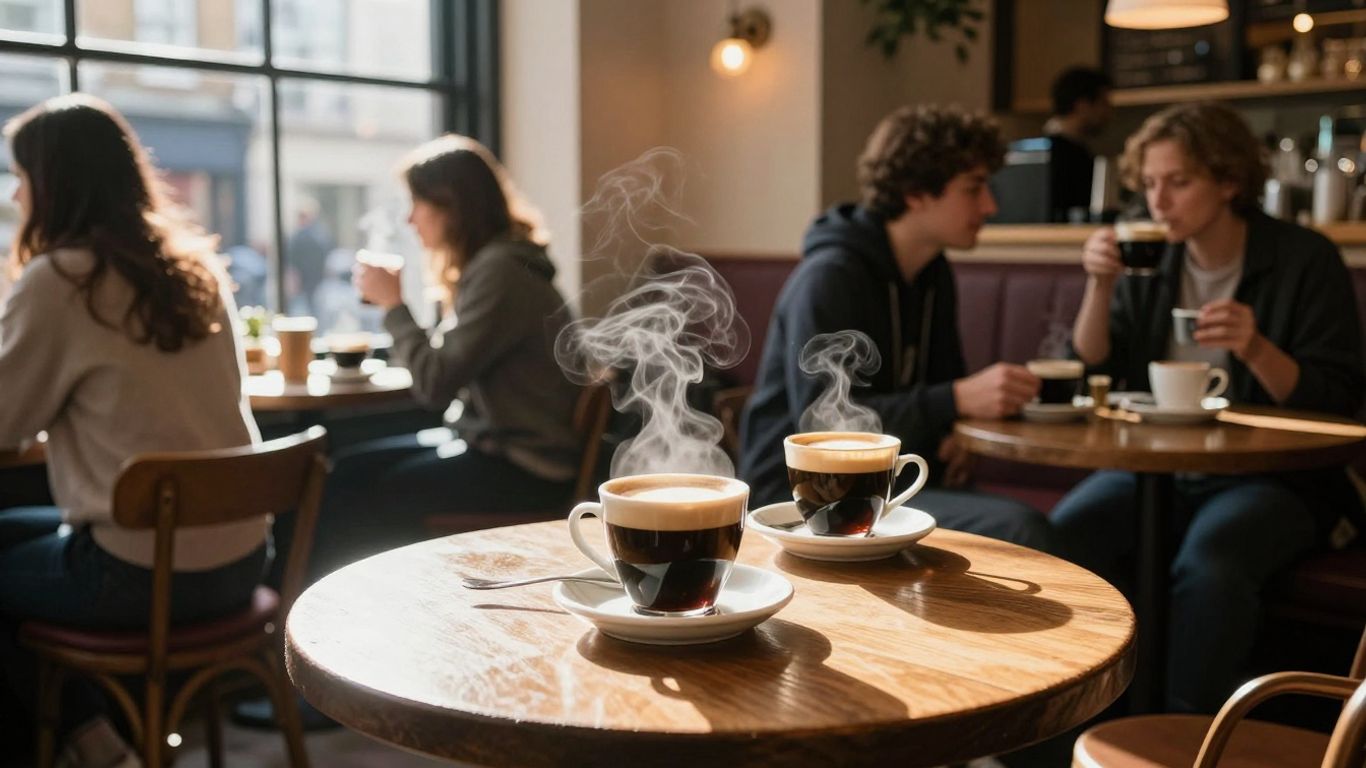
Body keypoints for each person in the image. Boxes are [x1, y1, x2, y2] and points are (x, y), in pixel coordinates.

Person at [1056, 101, 1365, 713]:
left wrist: (1254, 346)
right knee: (1063, 538)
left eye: (1178, 182)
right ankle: (1075, 724)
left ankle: (1182, 736)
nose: (1158, 201)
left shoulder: (1304, 259)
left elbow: (1336, 406)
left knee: (1211, 566)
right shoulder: (1153, 258)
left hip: (1278, 479)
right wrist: (1098, 286)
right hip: (1157, 467)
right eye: (1148, 184)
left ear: (1228, 181)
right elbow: (1093, 369)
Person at [0, 95, 268, 767]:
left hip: (140, 578)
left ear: (52, 185)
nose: (14, 193)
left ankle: (88, 738)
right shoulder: (198, 272)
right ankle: (99, 733)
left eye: (21, 176)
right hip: (242, 562)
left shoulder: (59, 279)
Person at [738, 104, 1055, 553]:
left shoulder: (933, 274)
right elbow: (825, 427)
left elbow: (944, 377)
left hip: (886, 486)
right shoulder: (830, 277)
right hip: (800, 501)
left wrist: (951, 434)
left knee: (1049, 526)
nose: (990, 205)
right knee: (1022, 529)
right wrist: (954, 400)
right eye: (974, 188)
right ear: (915, 192)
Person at [309, 135, 581, 578]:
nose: (410, 218)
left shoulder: (500, 273)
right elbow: (445, 366)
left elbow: (435, 385)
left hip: (523, 468)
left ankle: (360, 610)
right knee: (346, 471)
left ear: (453, 208)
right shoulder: (500, 265)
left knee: (363, 491)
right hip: (498, 447)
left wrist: (394, 306)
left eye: (418, 203)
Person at [1043, 67, 1113, 222]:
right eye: (1103, 103)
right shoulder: (1073, 158)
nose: (1109, 111)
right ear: (1082, 105)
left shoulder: (1041, 149)